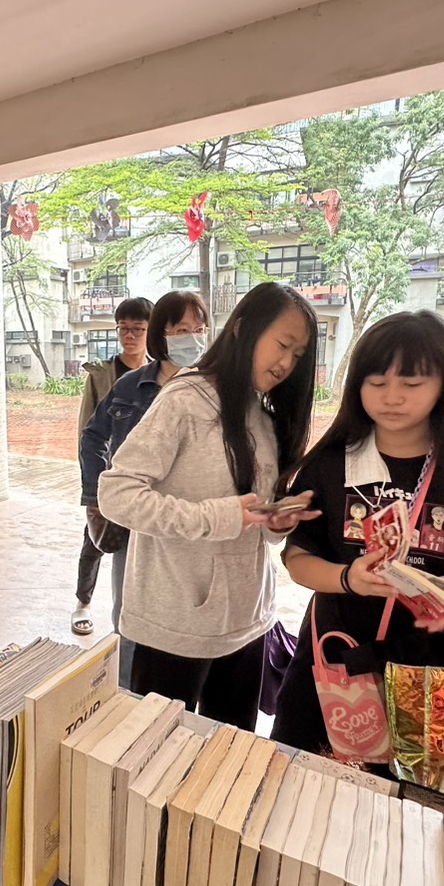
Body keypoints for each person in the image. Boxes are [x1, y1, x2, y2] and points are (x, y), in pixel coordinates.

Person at [269, 310, 444, 757]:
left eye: (411, 384)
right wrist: (348, 578)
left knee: (410, 805)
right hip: (332, 660)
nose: (392, 398)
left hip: (429, 676)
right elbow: (297, 558)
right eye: (376, 382)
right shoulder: (330, 465)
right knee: (300, 778)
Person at [97, 282, 320, 730]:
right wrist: (218, 517)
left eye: (297, 355)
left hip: (248, 622)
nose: (285, 364)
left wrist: (277, 520)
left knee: (227, 762)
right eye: (281, 345)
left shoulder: (264, 415)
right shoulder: (184, 399)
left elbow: (254, 518)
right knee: (155, 760)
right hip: (177, 623)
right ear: (241, 329)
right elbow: (116, 493)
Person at [79, 289, 210, 685]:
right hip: (137, 518)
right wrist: (97, 497)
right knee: (129, 611)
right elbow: (92, 436)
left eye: (200, 328)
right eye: (182, 328)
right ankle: (126, 694)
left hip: (190, 519)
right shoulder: (130, 386)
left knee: (188, 610)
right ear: (163, 335)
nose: (193, 337)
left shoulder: (214, 386)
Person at [72, 297, 153, 634]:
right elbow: (87, 431)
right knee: (96, 540)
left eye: (137, 329)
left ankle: (136, 614)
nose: (129, 336)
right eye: (123, 329)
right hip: (109, 475)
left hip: (148, 480)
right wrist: (91, 488)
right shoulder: (103, 374)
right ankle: (83, 601)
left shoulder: (161, 373)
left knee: (140, 549)